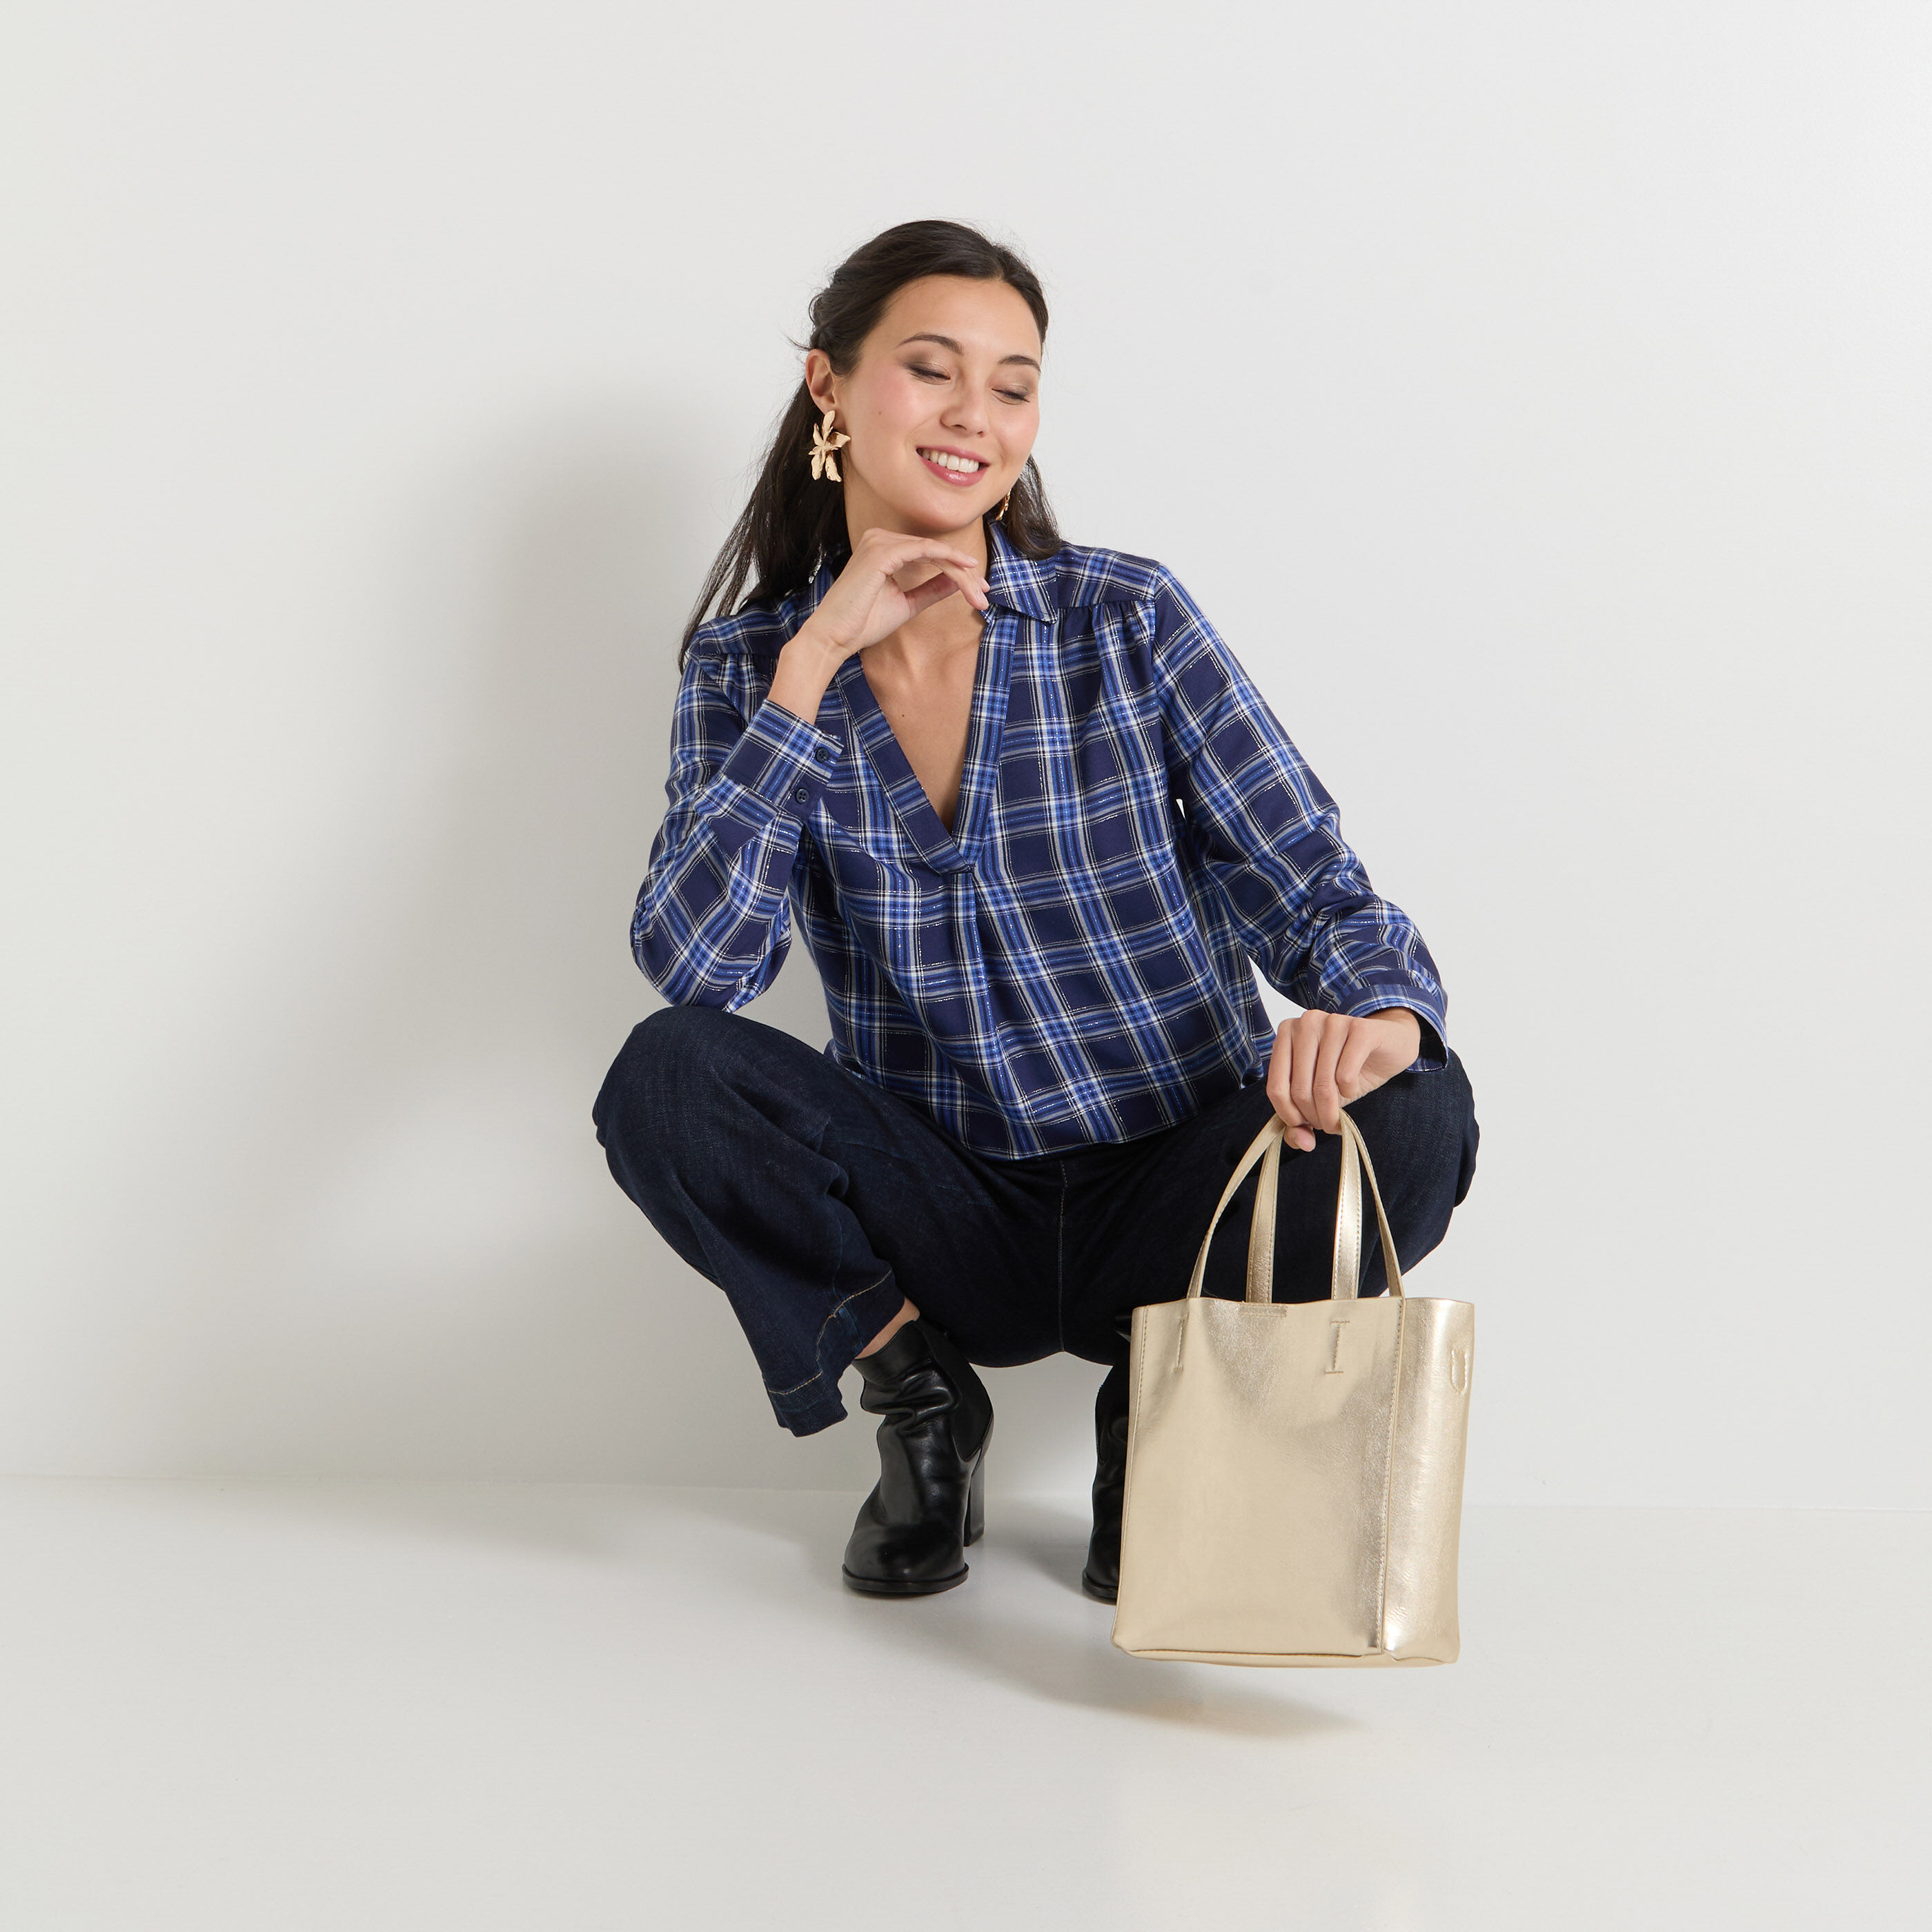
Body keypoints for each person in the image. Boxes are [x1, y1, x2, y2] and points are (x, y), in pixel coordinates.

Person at [593, 219, 1478, 1603]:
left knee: (1419, 1099)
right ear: (829, 386)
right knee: (667, 1078)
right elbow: (699, 968)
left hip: (1177, 1191)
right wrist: (811, 666)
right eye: (930, 369)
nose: (974, 415)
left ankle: (1168, 1418)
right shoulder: (749, 665)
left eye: (1012, 385)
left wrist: (1378, 1013)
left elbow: (1311, 883)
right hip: (951, 1212)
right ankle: (922, 1403)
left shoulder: (1123, 616)